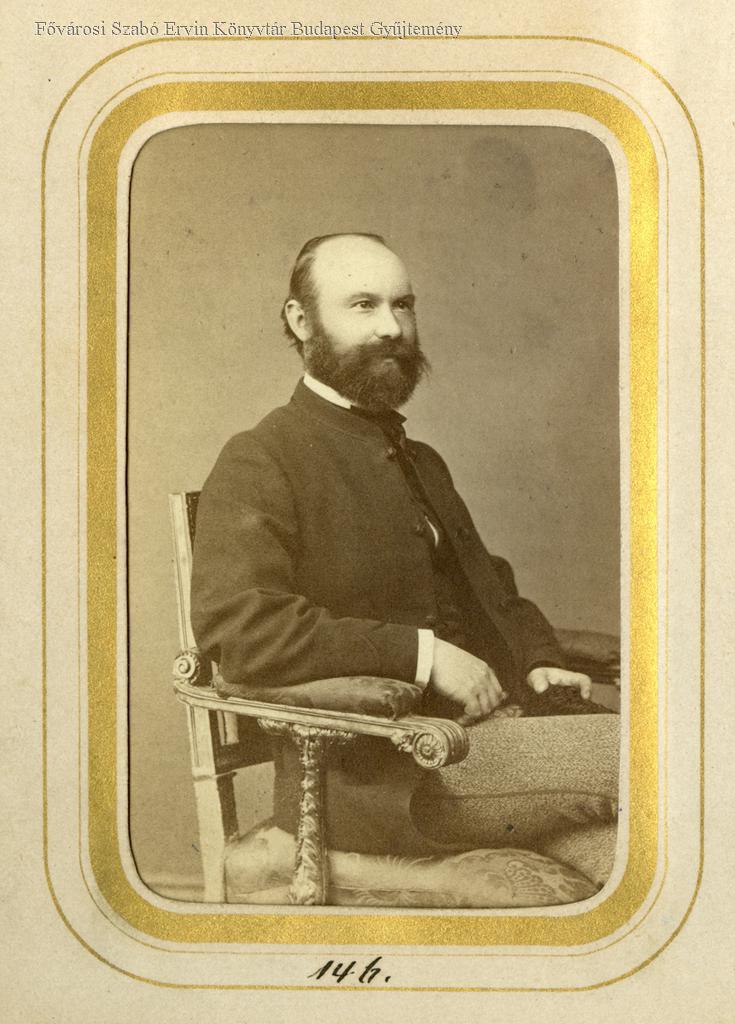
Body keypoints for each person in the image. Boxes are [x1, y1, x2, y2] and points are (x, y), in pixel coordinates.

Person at [191, 233, 619, 884]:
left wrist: (538, 659)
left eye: (403, 304)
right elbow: (243, 630)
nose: (392, 327)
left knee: (637, 858)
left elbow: (491, 587)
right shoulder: (261, 459)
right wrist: (423, 656)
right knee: (664, 755)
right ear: (301, 321)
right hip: (387, 772)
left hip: (496, 740)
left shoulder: (420, 460)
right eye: (363, 305)